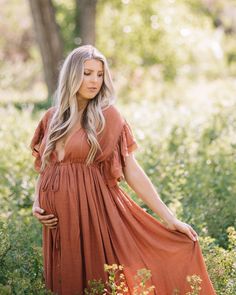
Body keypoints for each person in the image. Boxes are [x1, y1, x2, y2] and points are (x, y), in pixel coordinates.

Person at [30, 45, 216, 295]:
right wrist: (37, 202)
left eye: (99, 74)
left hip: (94, 213)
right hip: (57, 223)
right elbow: (45, 168)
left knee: (101, 282)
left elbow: (132, 170)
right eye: (87, 73)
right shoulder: (51, 118)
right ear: (72, 75)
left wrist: (169, 218)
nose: (95, 81)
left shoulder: (107, 116)